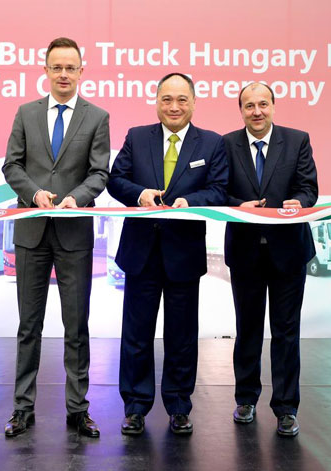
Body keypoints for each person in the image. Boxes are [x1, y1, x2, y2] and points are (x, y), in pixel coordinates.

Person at [107, 73, 228, 436]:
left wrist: (191, 201)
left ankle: (178, 406)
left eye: (181, 99)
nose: (174, 106)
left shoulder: (212, 142)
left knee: (182, 335)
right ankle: (135, 406)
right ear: (157, 102)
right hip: (141, 251)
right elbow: (116, 180)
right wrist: (139, 194)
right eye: (167, 99)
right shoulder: (137, 136)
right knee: (136, 334)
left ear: (193, 103)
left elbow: (219, 189)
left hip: (183, 254)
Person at [2, 37, 110, 438]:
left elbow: (100, 172)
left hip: (74, 232)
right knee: (28, 326)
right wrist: (34, 194)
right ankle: (22, 409)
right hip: (31, 231)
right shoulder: (26, 113)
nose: (63, 74)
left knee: (76, 326)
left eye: (70, 67)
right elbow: (12, 165)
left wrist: (74, 198)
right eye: (57, 67)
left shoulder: (97, 117)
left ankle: (78, 409)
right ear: (45, 70)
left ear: (82, 71)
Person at [224, 82, 318, 437]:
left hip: (288, 251)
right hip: (245, 251)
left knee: (286, 331)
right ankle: (246, 398)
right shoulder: (226, 144)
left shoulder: (297, 140)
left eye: (263, 104)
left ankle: (286, 408)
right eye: (249, 106)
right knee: (247, 329)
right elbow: (218, 190)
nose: (257, 111)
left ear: (273, 106)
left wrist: (299, 202)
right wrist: (238, 205)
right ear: (241, 110)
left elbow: (308, 187)